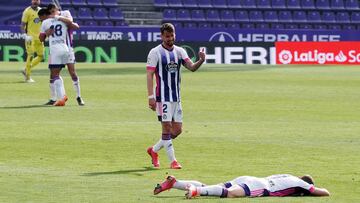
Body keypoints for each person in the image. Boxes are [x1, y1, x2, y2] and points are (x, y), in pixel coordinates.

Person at [146, 23, 206, 169]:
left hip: (176, 97)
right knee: (166, 128)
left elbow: (191, 67)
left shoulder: (179, 51)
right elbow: (149, 75)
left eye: (172, 35)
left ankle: (153, 150)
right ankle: (173, 161)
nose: (170, 38)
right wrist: (150, 97)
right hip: (162, 97)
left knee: (177, 130)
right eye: (167, 36)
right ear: (161, 36)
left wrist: (201, 60)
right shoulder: (155, 52)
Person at [154, 174, 330, 199]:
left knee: (214, 187)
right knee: (230, 194)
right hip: (261, 185)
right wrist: (307, 189)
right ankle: (195, 191)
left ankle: (175, 183)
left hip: (249, 177)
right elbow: (324, 193)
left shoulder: (289, 176)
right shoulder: (301, 184)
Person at [45, 3, 85, 106]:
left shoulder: (65, 13)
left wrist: (58, 17)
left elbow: (74, 24)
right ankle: (53, 98)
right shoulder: (50, 19)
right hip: (55, 49)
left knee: (72, 73)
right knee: (53, 74)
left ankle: (79, 97)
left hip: (68, 48)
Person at [38, 9, 78, 106]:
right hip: (65, 48)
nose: (40, 20)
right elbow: (72, 24)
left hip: (55, 50)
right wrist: (59, 17)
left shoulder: (45, 22)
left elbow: (41, 38)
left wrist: (47, 33)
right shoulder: (62, 20)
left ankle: (61, 98)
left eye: (40, 18)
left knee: (54, 75)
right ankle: (59, 97)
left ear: (44, 15)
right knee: (55, 73)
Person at [21, 0, 44, 83]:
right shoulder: (27, 11)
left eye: (37, 1)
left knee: (41, 56)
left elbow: (43, 23)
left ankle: (25, 69)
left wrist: (44, 34)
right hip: (30, 37)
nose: (35, 2)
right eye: (34, 1)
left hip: (39, 37)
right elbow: (23, 25)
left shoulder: (41, 11)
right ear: (32, 1)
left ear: (39, 2)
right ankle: (27, 77)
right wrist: (25, 35)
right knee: (30, 55)